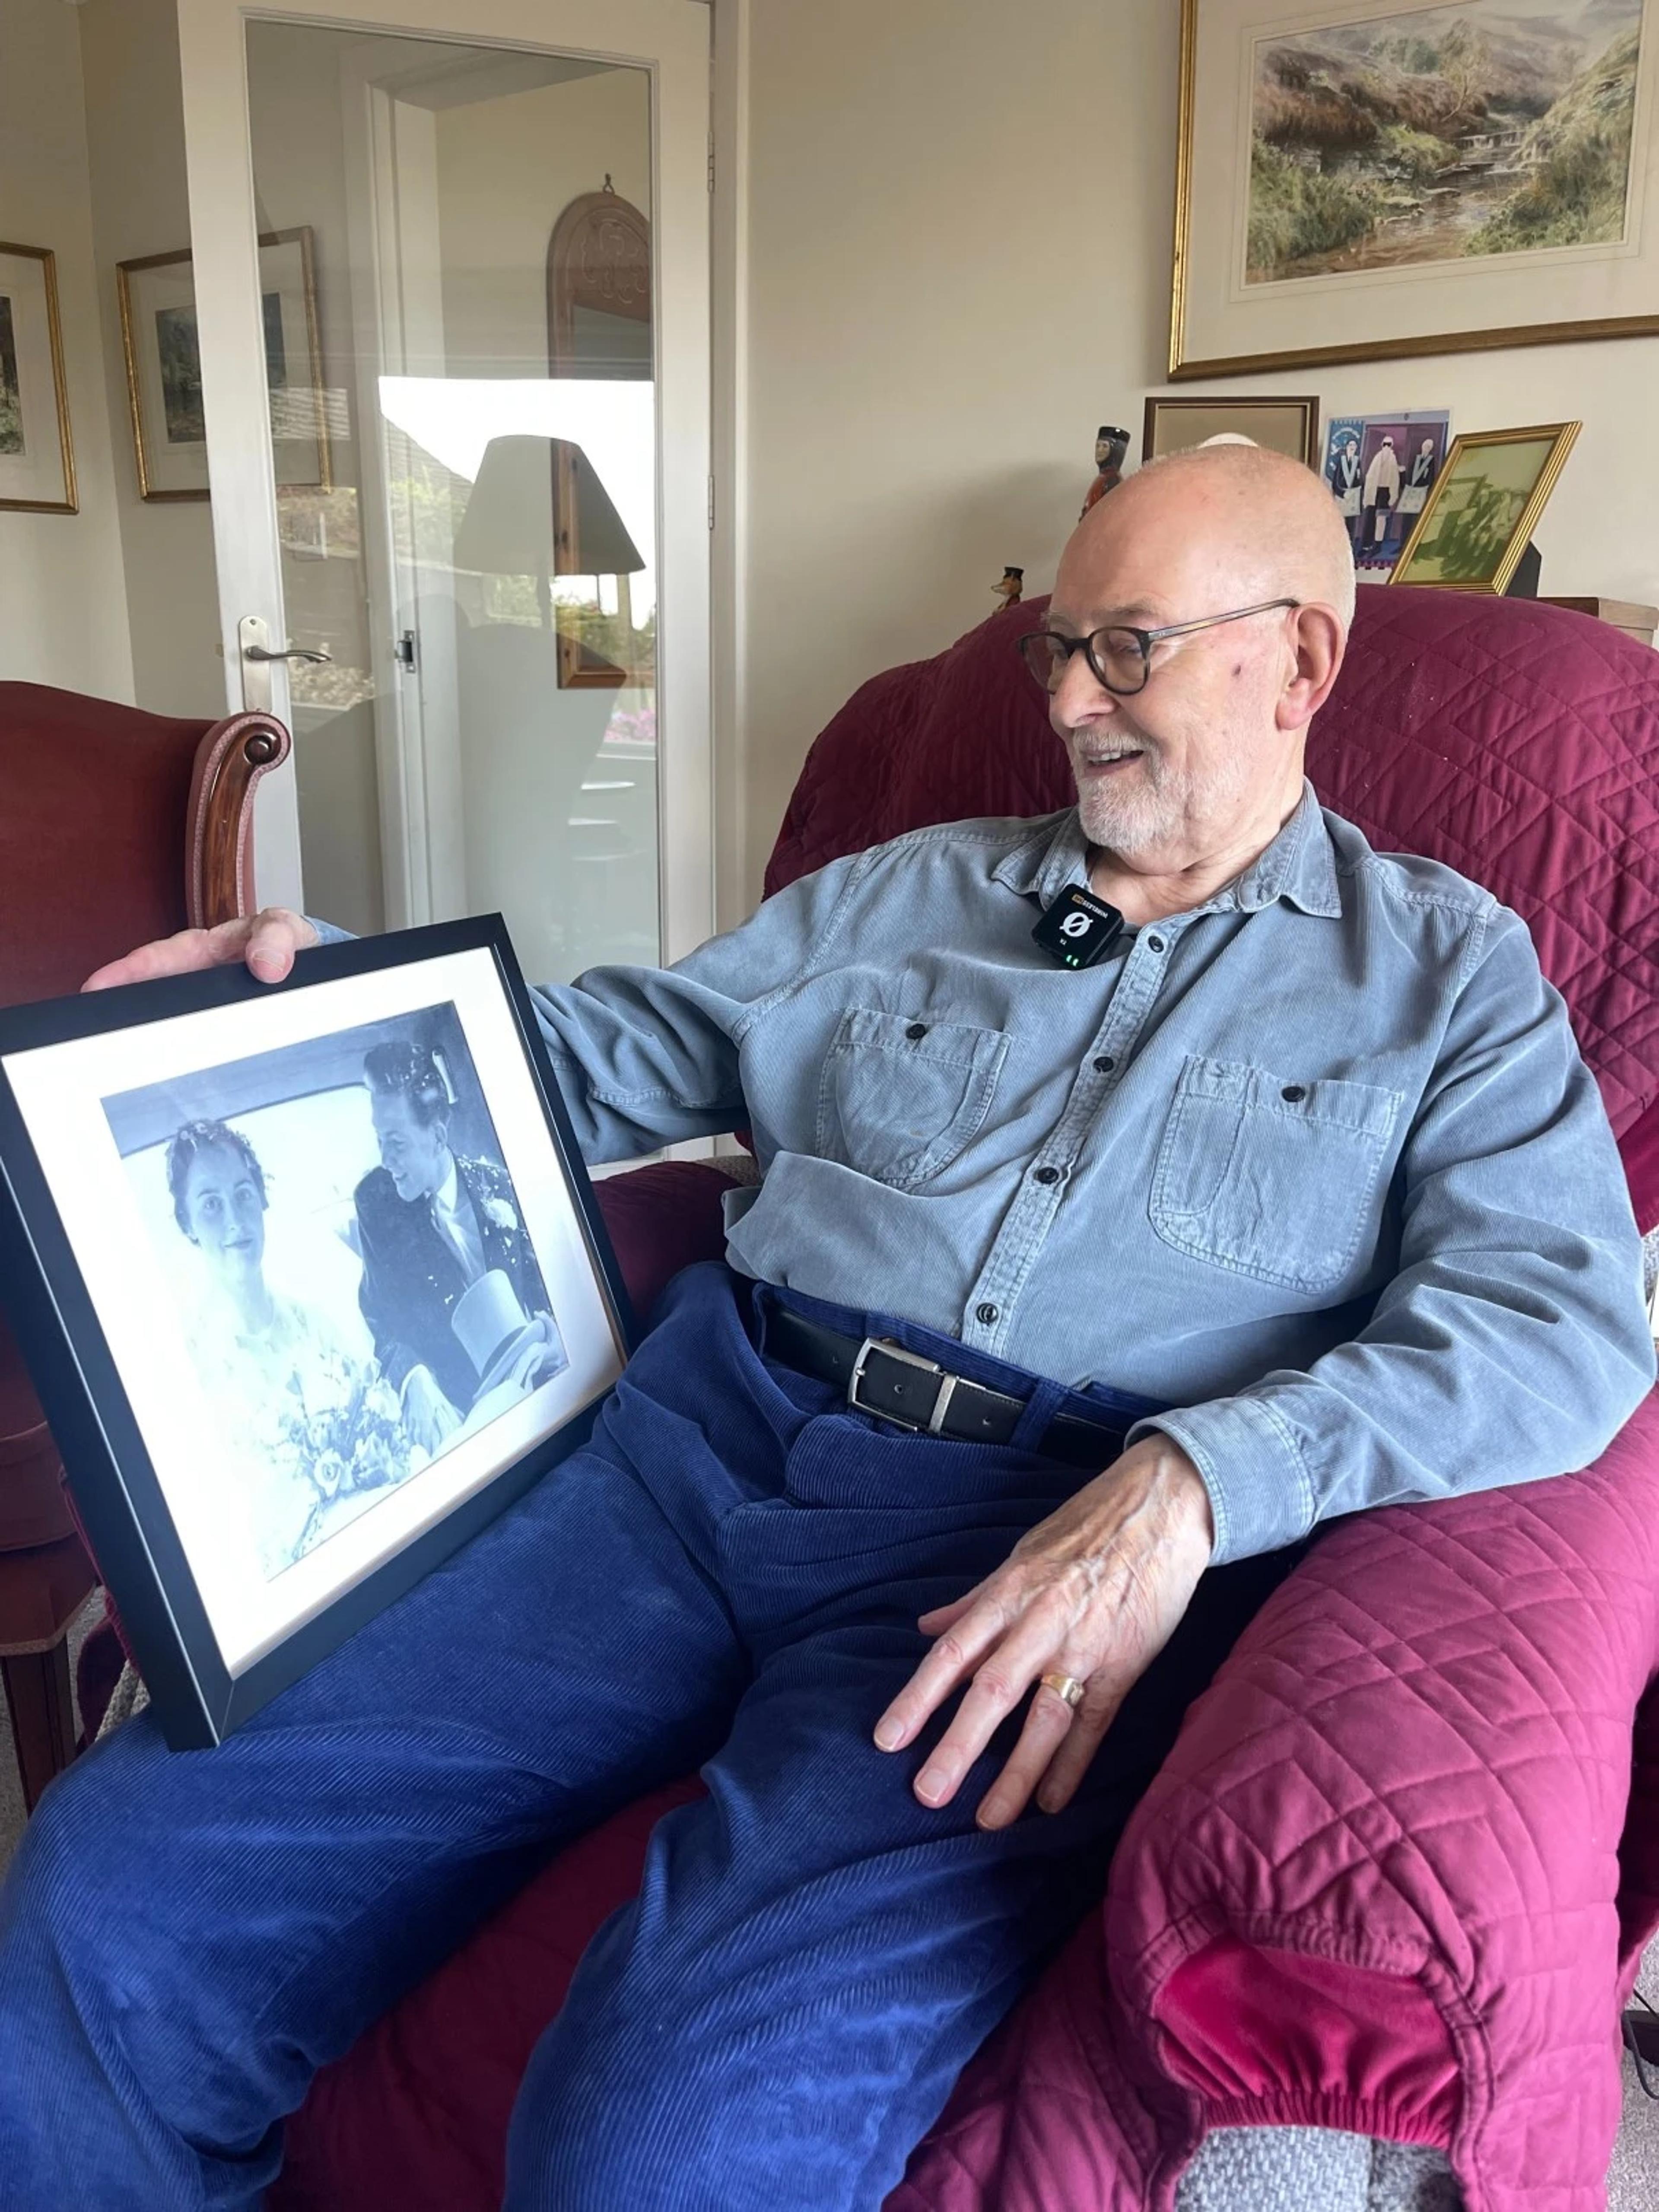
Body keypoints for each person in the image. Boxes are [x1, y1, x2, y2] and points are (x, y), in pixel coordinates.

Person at [2, 444, 1649, 2212]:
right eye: (1055, 652)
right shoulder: (909, 894)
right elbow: (595, 1055)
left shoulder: (1442, 975)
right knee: (105, 1898)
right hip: (682, 1456)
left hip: (1015, 1554)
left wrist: (1195, 1481)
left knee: (661, 2139)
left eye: (1130, 649)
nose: (1072, 704)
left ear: (1300, 661)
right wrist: (307, 989)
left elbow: (1557, 1315)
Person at [165, 1118, 412, 1576]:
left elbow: (385, 1423)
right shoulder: (194, 1373)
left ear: (261, 1198)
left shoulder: (317, 1325)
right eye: (212, 1205)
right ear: (189, 1223)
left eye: (243, 1194)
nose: (236, 1220)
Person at [352, 1040, 563, 1454]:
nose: (385, 1160)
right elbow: (382, 1320)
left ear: (438, 1135)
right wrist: (413, 1376)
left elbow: (550, 1284)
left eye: (395, 1143)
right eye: (379, 1141)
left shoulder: (501, 1184)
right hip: (457, 1421)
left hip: (540, 1385)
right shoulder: (375, 1203)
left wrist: (561, 1336)